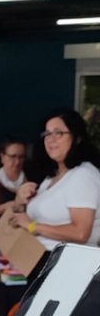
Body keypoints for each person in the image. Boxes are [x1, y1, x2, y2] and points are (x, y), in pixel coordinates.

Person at [10, 107, 100, 251]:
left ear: (77, 138)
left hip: (69, 265)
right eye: (47, 134)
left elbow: (80, 233)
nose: (50, 139)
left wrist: (34, 226)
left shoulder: (83, 175)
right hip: (37, 260)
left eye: (58, 133)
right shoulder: (51, 178)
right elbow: (25, 222)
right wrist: (19, 203)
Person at [0, 136, 28, 221]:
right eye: (13, 156)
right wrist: (6, 206)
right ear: (2, 156)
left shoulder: (32, 181)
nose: (17, 162)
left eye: (21, 157)